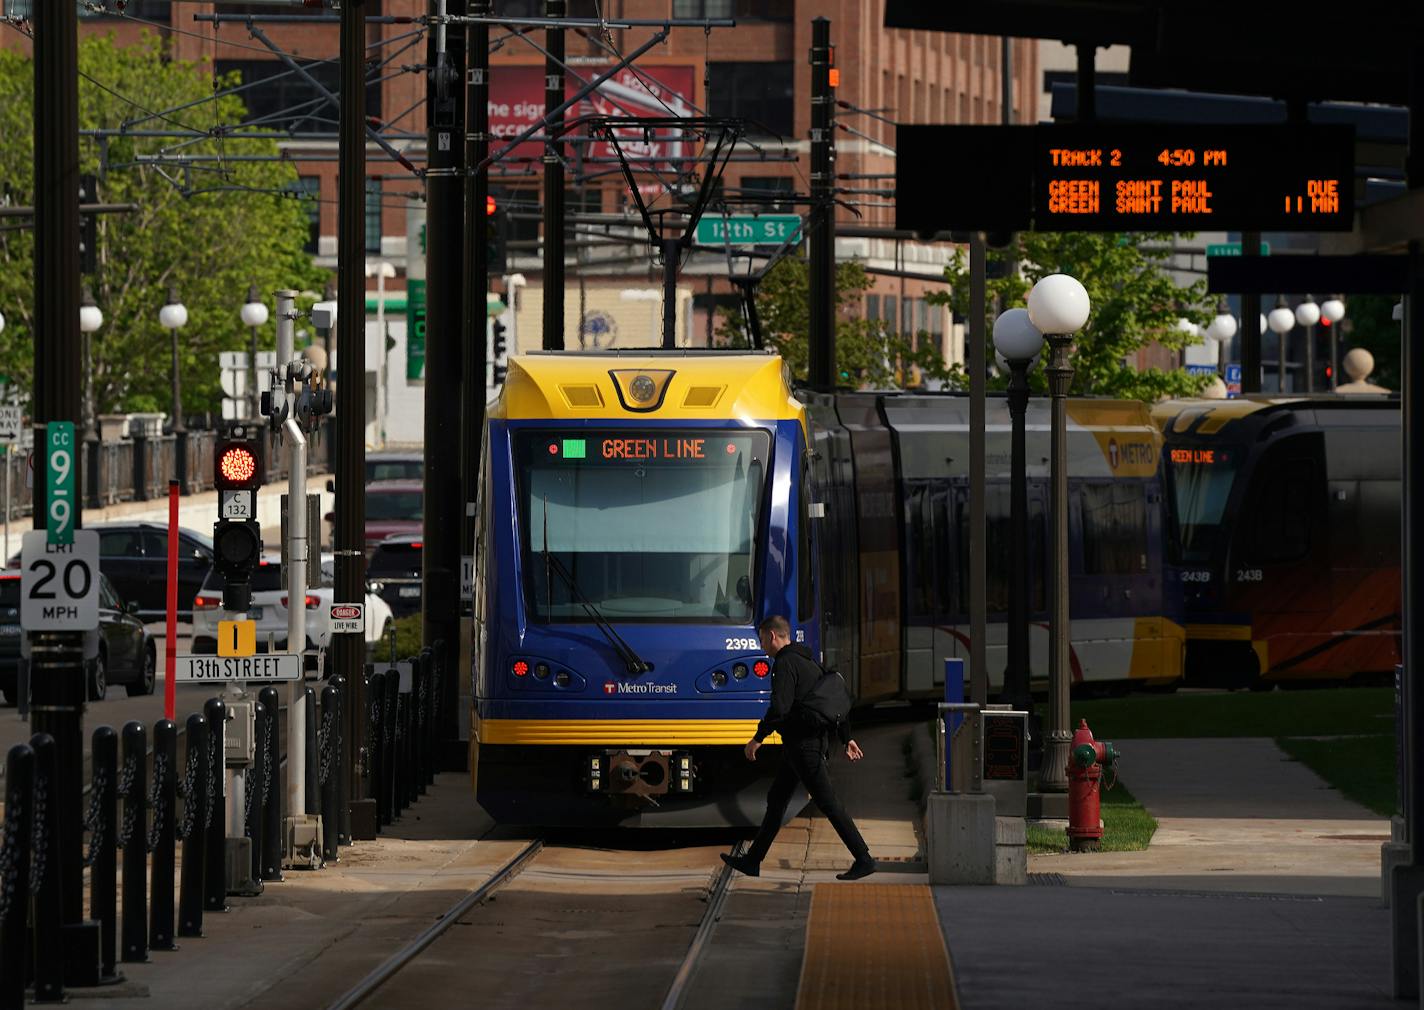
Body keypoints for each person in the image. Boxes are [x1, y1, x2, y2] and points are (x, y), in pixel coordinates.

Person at [721, 614, 876, 881]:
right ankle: (753, 861)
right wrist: (845, 736)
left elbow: (779, 707)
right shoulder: (807, 659)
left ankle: (863, 858)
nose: (761, 646)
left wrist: (758, 738)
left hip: (805, 747)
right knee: (777, 799)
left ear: (772, 636)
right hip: (799, 747)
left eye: (761, 639)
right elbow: (832, 699)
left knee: (829, 803)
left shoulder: (785, 663)